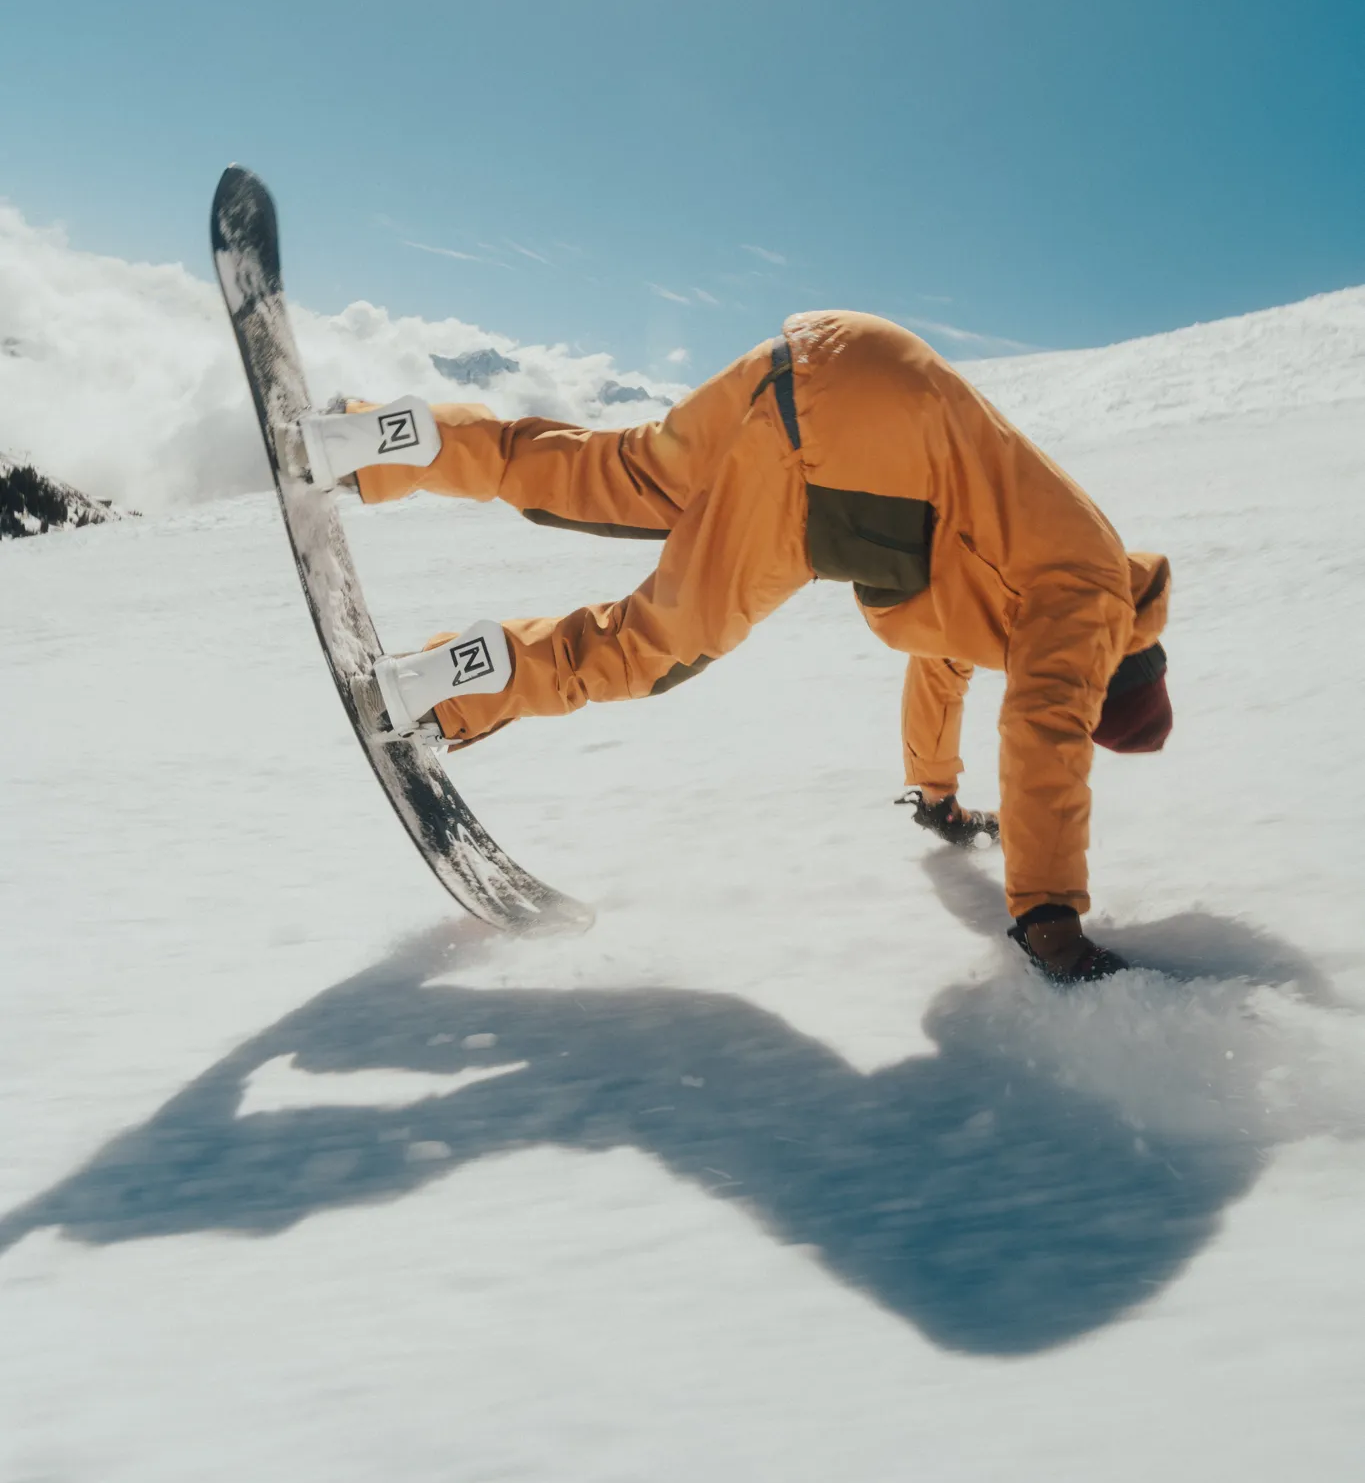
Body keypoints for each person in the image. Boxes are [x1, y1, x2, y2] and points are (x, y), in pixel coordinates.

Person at [342, 311, 1172, 984]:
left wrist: (936, 796)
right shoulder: (1089, 604)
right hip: (840, 456)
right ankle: (439, 686)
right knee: (653, 644)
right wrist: (1048, 915)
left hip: (832, 356)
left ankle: (382, 441)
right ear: (1107, 680)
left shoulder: (1039, 568)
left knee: (619, 471)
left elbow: (942, 669)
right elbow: (1045, 731)